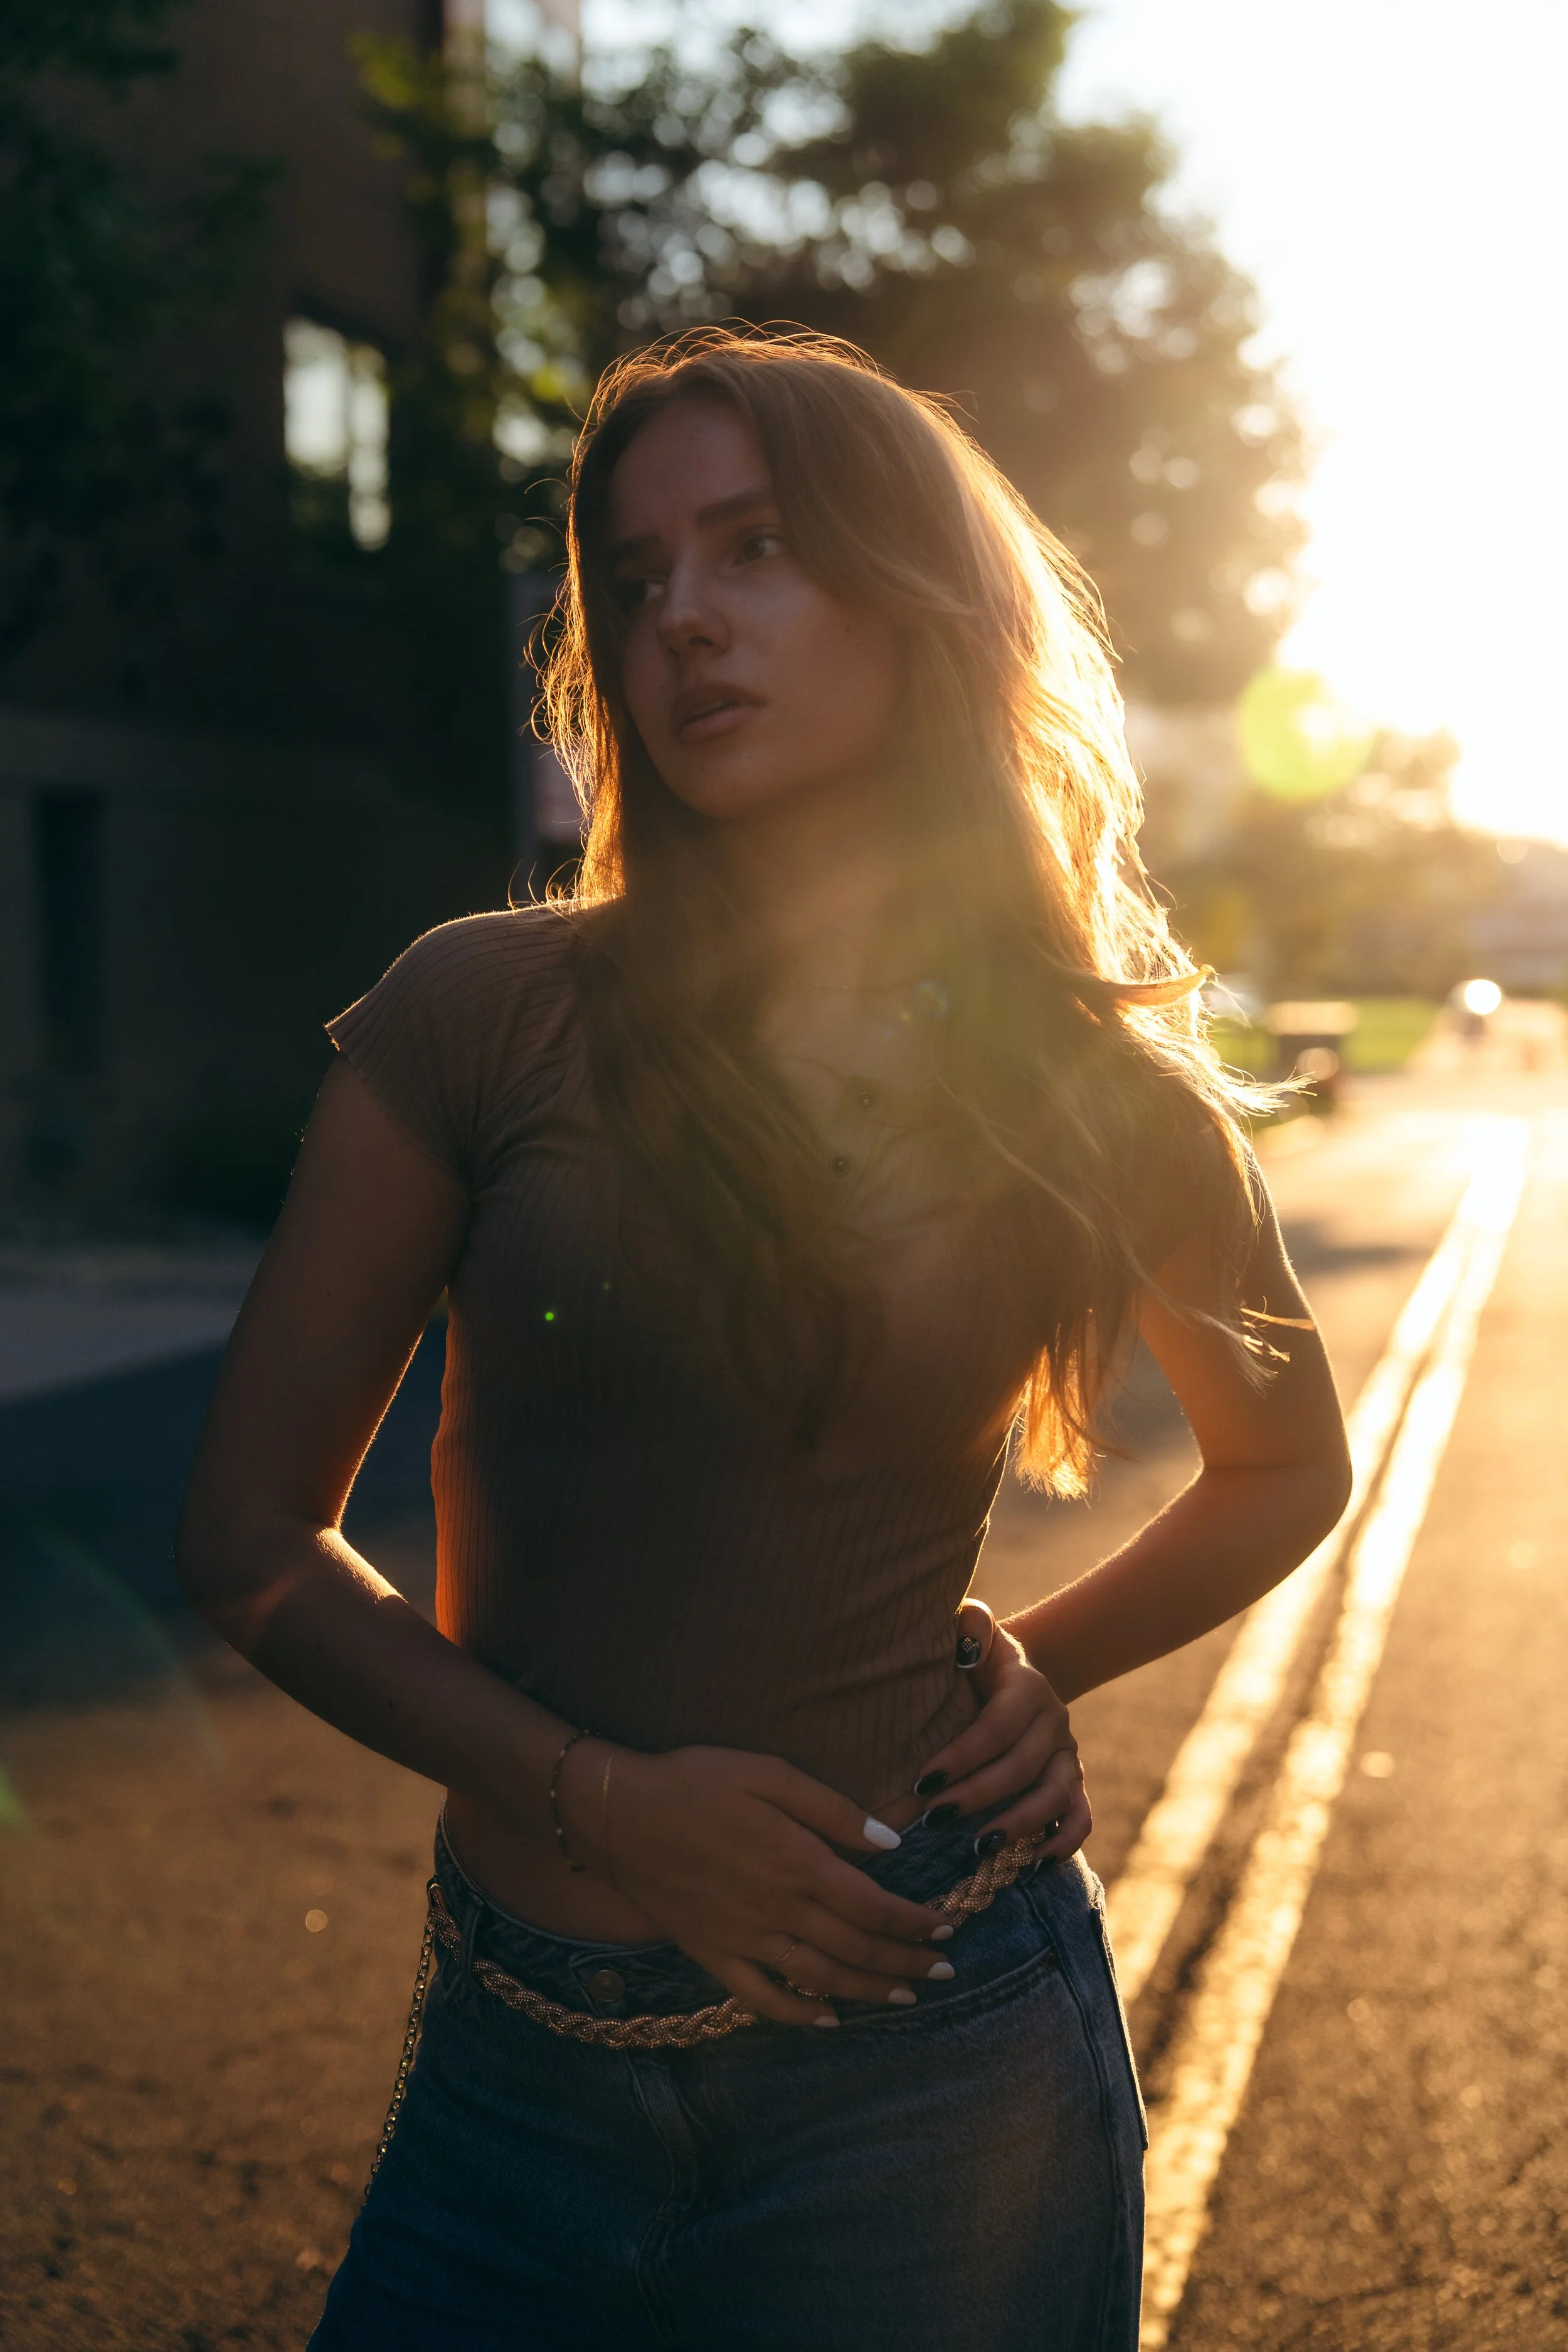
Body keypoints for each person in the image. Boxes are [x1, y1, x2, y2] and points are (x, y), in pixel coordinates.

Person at [176, 328, 1350, 2352]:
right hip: (513, 2078)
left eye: (756, 547)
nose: (682, 619)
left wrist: (1035, 1666)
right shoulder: (479, 1013)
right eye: (634, 577)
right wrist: (599, 1797)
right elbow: (251, 1543)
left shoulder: (1076, 1083)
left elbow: (1286, 1460)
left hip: (936, 2059)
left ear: (912, 598)